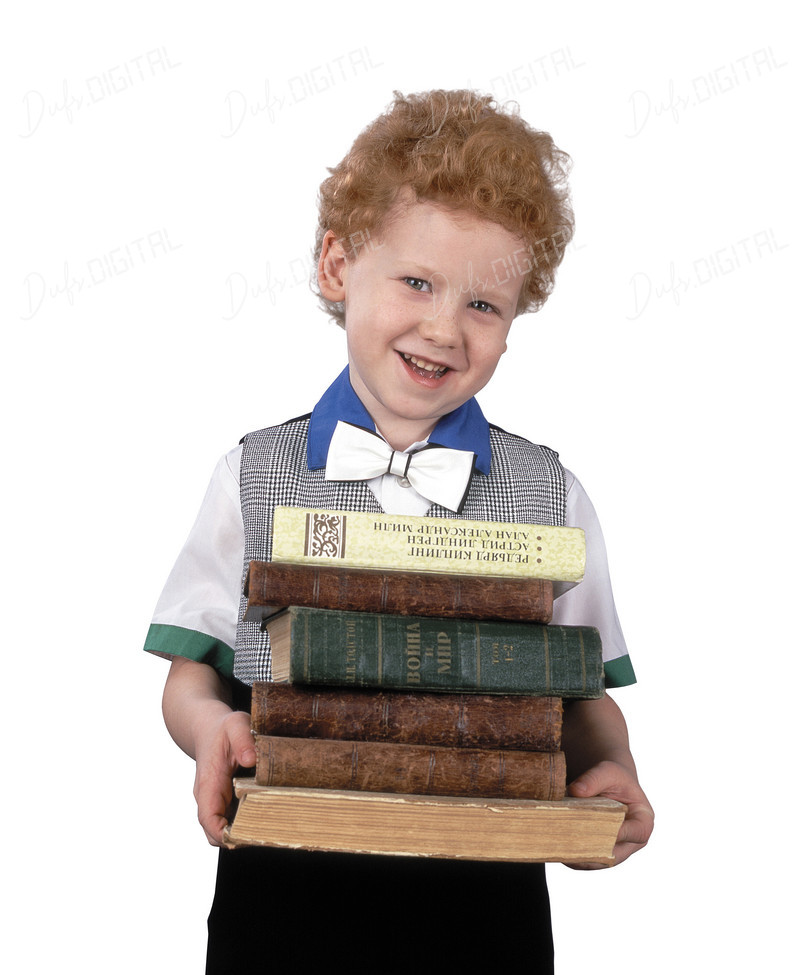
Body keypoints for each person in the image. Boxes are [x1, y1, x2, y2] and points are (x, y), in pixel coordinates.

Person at [147, 90, 653, 972]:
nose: (441, 328)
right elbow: (197, 672)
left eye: (483, 306)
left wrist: (609, 767)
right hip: (285, 876)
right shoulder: (253, 473)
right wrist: (206, 729)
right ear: (339, 264)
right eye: (416, 281)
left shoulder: (548, 492)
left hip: (485, 895)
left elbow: (579, 693)